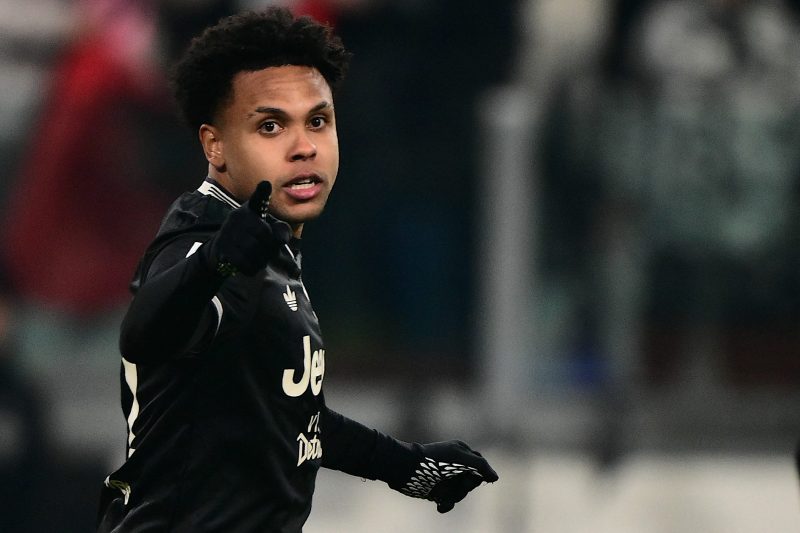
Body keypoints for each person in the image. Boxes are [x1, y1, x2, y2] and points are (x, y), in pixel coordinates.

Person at [96, 8, 498, 532]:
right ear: (215, 145)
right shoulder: (203, 239)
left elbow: (284, 415)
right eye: (271, 126)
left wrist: (404, 466)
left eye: (318, 121)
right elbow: (148, 331)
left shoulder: (268, 247)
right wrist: (216, 261)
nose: (304, 146)